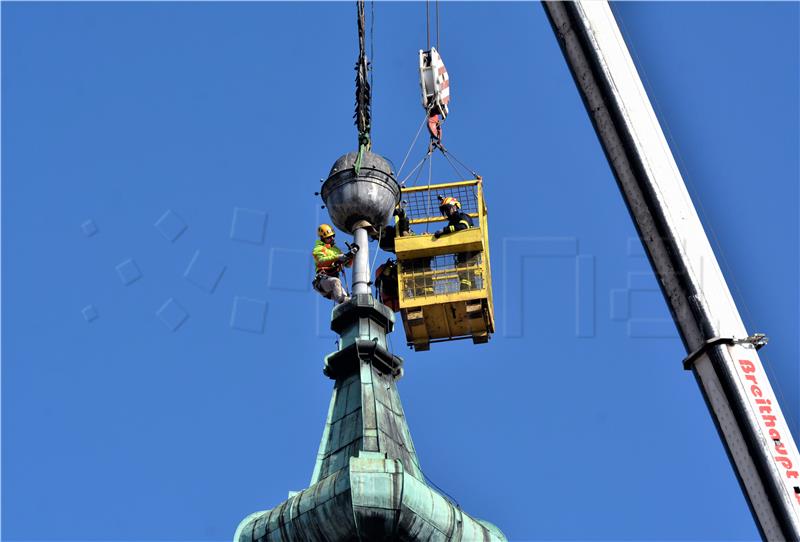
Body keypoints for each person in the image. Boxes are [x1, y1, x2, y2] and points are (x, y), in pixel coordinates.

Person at [432, 196, 480, 291]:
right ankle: (473, 292)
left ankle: (465, 291)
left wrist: (443, 231)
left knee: (464, 271)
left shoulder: (463, 216)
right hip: (462, 252)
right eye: (444, 210)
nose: (446, 212)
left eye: (447, 209)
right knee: (466, 273)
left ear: (454, 207)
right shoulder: (451, 223)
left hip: (470, 251)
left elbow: (463, 226)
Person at [312, 224, 354, 304]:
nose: (332, 238)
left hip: (335, 285)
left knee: (349, 302)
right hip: (323, 281)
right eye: (328, 237)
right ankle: (342, 301)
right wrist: (337, 257)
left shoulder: (336, 250)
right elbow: (321, 261)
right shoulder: (318, 249)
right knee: (336, 282)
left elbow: (348, 265)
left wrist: (351, 256)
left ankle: (345, 305)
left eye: (333, 236)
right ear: (323, 238)